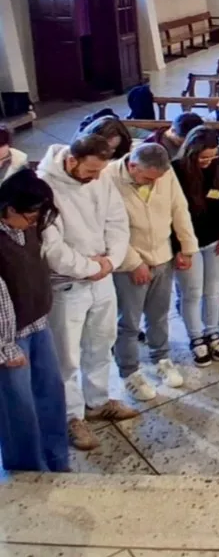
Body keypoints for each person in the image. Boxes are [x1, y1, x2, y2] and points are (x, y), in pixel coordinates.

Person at [37, 134, 134, 451]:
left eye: (100, 171)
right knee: (67, 355)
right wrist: (91, 268)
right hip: (67, 283)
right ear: (71, 160)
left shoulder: (101, 176)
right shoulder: (44, 185)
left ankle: (97, 401)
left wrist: (111, 260)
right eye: (90, 171)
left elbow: (117, 220)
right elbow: (52, 248)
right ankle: (70, 417)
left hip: (102, 274)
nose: (95, 178)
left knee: (102, 342)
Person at [109, 144, 197, 401]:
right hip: (130, 264)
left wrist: (186, 247)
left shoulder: (164, 174)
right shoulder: (108, 178)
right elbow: (109, 228)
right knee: (128, 323)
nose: (153, 183)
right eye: (148, 179)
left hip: (162, 256)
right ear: (132, 166)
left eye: (157, 178)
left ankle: (161, 357)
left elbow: (179, 209)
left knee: (159, 316)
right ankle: (130, 373)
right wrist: (133, 262)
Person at [0, 169, 69, 472]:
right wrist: (5, 347)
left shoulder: (28, 228)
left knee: (51, 397)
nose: (35, 222)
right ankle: (28, 473)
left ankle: (57, 462)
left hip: (39, 325)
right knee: (19, 411)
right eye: (30, 216)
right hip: (10, 338)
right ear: (9, 209)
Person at [171, 127, 219, 365]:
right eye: (203, 157)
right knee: (192, 292)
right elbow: (171, 214)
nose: (208, 161)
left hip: (215, 238)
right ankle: (196, 337)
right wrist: (179, 248)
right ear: (191, 153)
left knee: (212, 289)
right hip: (188, 243)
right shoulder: (176, 171)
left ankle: (212, 331)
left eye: (212, 156)